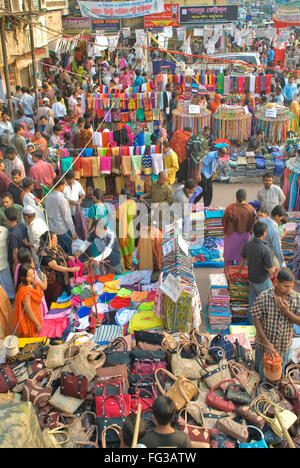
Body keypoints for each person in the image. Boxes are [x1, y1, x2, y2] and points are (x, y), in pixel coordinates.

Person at [252, 269, 300, 380]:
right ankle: (259, 389)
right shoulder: (264, 297)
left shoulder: (297, 299)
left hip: (283, 345)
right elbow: (256, 318)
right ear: (277, 282)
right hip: (263, 344)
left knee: (277, 375)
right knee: (260, 372)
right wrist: (266, 342)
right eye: (286, 286)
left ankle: (274, 391)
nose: (289, 290)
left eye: (291, 286)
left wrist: (286, 312)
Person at [239, 221, 275, 319]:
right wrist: (273, 273)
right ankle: (266, 323)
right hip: (262, 280)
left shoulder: (247, 244)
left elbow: (242, 260)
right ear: (264, 233)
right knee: (270, 303)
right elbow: (271, 270)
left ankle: (252, 324)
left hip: (251, 278)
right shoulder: (266, 250)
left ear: (254, 232)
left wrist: (239, 272)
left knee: (252, 303)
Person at [38, 231, 79, 307]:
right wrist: (72, 269)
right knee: (54, 297)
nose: (56, 241)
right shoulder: (44, 253)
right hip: (53, 279)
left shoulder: (55, 246)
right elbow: (55, 267)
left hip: (61, 277)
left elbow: (61, 255)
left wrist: (68, 257)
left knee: (62, 293)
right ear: (49, 241)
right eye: (54, 239)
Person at [222, 189, 256, 269]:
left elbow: (224, 222)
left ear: (236, 198)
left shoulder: (230, 208)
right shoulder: (250, 209)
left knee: (228, 260)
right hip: (243, 237)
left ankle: (226, 277)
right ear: (245, 198)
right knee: (240, 259)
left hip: (230, 236)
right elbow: (253, 224)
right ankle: (237, 278)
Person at [44, 176, 77, 255]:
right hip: (63, 231)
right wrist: (73, 232)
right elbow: (67, 218)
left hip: (53, 229)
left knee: (59, 253)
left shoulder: (48, 197)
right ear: (61, 186)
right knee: (69, 253)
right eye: (64, 185)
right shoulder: (61, 199)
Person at [14, 263, 43, 337]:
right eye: (29, 276)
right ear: (23, 277)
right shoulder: (25, 292)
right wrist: (37, 324)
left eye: (33, 274)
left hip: (36, 315)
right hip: (31, 321)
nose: (32, 277)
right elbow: (29, 311)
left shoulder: (30, 284)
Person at [260, 204, 287, 269]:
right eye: (281, 218)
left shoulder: (261, 221)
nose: (281, 220)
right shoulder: (274, 230)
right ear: (277, 217)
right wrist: (282, 264)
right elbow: (277, 248)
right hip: (267, 257)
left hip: (256, 254)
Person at [116, 188, 136, 271]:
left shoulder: (120, 207)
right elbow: (134, 215)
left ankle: (123, 266)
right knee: (130, 246)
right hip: (130, 227)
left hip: (122, 228)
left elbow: (117, 218)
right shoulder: (133, 203)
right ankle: (128, 264)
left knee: (121, 248)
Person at [5, 206, 29, 274]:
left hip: (19, 262)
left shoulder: (12, 234)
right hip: (26, 257)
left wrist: (15, 267)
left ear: (6, 219)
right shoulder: (22, 225)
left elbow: (15, 251)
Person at [0, 222, 15, 299]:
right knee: (8, 281)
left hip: (3, 263)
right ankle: (11, 296)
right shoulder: (5, 230)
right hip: (5, 262)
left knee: (3, 284)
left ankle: (5, 299)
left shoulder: (5, 231)